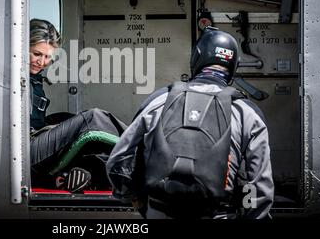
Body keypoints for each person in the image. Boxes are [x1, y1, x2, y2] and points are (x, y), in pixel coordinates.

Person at [106, 27, 274, 219]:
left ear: (197, 58)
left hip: (159, 212)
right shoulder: (247, 113)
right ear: (233, 65)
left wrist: (132, 198)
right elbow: (260, 187)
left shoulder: (160, 100)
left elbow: (118, 159)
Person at [28, 18, 127, 192]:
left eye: (47, 57)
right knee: (93, 119)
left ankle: (88, 171)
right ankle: (142, 145)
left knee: (68, 119)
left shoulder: (33, 77)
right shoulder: (15, 77)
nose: (42, 62)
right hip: (25, 154)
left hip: (33, 142)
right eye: (37, 54)